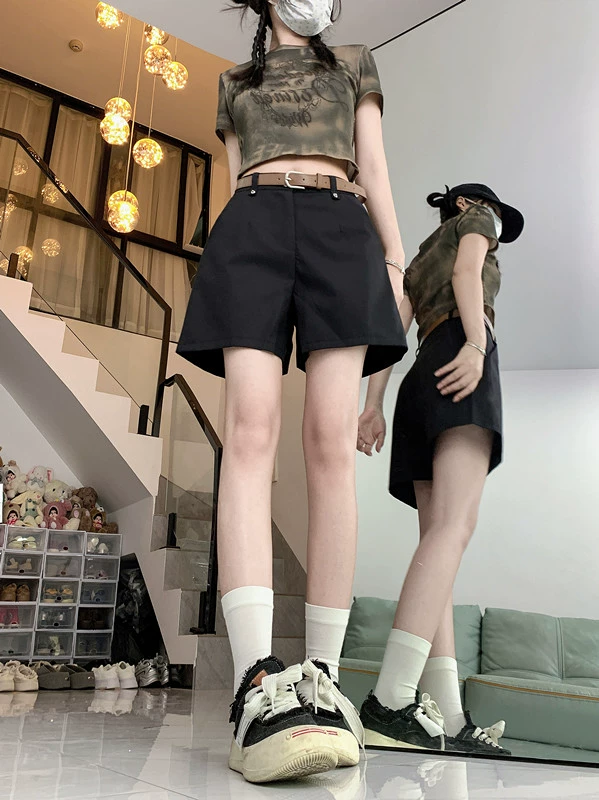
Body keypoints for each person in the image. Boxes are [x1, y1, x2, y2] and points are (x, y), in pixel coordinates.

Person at [176, 0, 407, 784]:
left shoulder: (355, 62)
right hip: (252, 223)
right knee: (248, 434)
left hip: (342, 224)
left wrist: (395, 260)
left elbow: (372, 163)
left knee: (328, 446)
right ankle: (254, 682)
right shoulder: (232, 81)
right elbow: (230, 175)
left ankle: (323, 680)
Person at [356, 183, 524, 755]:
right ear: (467, 205)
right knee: (455, 529)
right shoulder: (478, 220)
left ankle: (449, 717)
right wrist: (477, 344)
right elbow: (467, 273)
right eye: (492, 212)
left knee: (438, 545)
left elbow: (391, 336)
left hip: (420, 379)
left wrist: (373, 406)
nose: (496, 224)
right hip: (458, 358)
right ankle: (390, 700)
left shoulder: (418, 262)